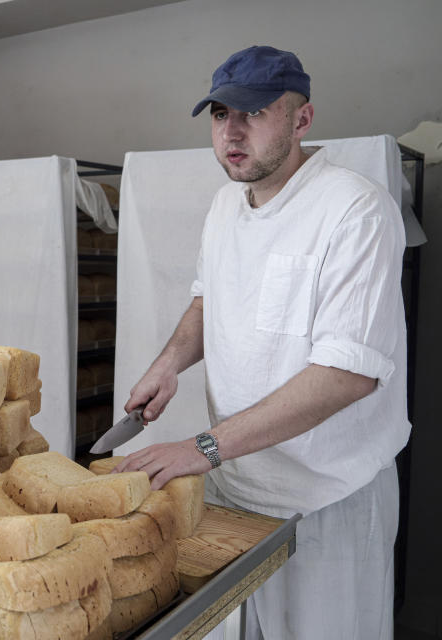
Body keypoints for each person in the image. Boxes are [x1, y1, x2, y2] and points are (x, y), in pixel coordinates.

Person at [116, 46, 408, 639]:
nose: (233, 132)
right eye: (221, 114)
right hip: (234, 486)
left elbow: (347, 373)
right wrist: (169, 363)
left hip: (326, 495)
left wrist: (202, 447)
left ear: (302, 120)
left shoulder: (355, 210)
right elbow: (208, 299)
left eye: (253, 113)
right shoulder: (226, 205)